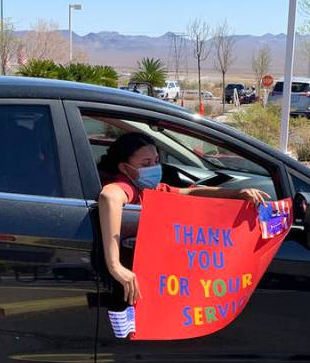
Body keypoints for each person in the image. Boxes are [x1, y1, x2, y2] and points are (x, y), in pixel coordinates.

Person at [97, 131, 270, 306]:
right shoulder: (127, 186)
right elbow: (109, 197)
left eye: (156, 161)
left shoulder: (146, 188)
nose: (154, 168)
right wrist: (115, 266)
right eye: (145, 163)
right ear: (124, 168)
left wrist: (237, 194)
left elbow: (190, 192)